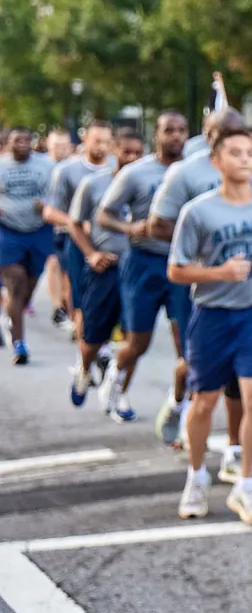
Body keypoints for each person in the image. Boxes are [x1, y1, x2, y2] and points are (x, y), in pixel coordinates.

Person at [169, 126, 252, 523]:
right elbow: (176, 270)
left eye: (251, 153)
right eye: (235, 153)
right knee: (204, 401)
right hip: (211, 316)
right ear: (217, 161)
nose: (245, 159)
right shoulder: (198, 211)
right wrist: (219, 272)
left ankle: (245, 483)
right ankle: (196, 475)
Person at [149, 108, 252, 474]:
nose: (242, 153)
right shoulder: (186, 176)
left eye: (244, 141)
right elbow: (158, 226)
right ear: (208, 139)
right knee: (198, 377)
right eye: (222, 134)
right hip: (201, 290)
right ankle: (180, 404)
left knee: (247, 389)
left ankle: (238, 457)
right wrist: (211, 258)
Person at [97, 112, 190, 421]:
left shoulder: (194, 171)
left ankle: (179, 405)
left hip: (183, 262)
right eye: (169, 131)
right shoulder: (136, 173)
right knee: (138, 341)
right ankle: (117, 381)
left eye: (181, 130)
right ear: (157, 136)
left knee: (187, 345)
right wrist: (128, 228)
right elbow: (104, 215)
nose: (176, 136)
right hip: (143, 262)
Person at [68, 130, 147, 405]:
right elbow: (74, 224)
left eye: (138, 152)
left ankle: (120, 392)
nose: (132, 158)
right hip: (105, 268)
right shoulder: (94, 185)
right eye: (127, 152)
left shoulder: (150, 185)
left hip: (138, 268)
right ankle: (84, 369)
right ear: (115, 151)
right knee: (93, 335)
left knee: (134, 338)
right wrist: (90, 254)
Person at [44, 122, 117, 339]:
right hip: (76, 240)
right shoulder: (67, 171)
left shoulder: (117, 168)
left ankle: (100, 340)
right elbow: (50, 212)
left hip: (110, 241)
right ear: (85, 140)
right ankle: (83, 338)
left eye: (106, 142)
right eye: (97, 141)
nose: (101, 147)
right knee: (79, 293)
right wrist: (77, 221)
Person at [0, 127, 65, 365]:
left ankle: (11, 317)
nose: (24, 144)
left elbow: (58, 194)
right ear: (8, 143)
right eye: (18, 140)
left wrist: (47, 204)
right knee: (15, 283)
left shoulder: (46, 165)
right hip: (7, 230)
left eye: (27, 140)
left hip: (39, 230)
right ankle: (20, 344)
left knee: (30, 284)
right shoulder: (2, 166)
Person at [42, 127, 78, 328]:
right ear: (49, 145)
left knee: (68, 272)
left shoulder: (73, 167)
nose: (60, 149)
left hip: (67, 228)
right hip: (45, 226)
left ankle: (68, 306)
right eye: (56, 145)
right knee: (54, 264)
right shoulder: (41, 166)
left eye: (64, 145)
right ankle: (58, 306)